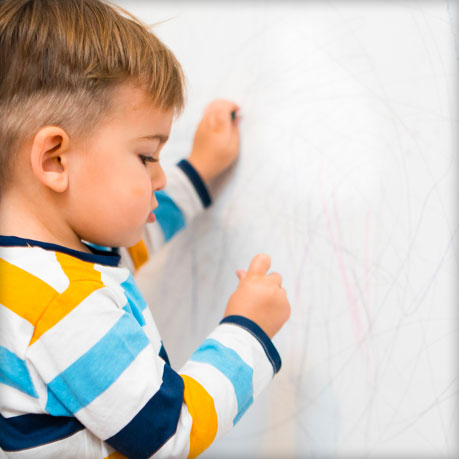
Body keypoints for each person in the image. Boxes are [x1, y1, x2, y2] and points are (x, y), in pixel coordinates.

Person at [0, 1, 291, 458]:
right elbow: (170, 432)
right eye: (147, 156)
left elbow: (130, 241)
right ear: (55, 159)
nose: (158, 178)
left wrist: (198, 170)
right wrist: (248, 329)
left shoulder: (33, 267)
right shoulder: (64, 309)